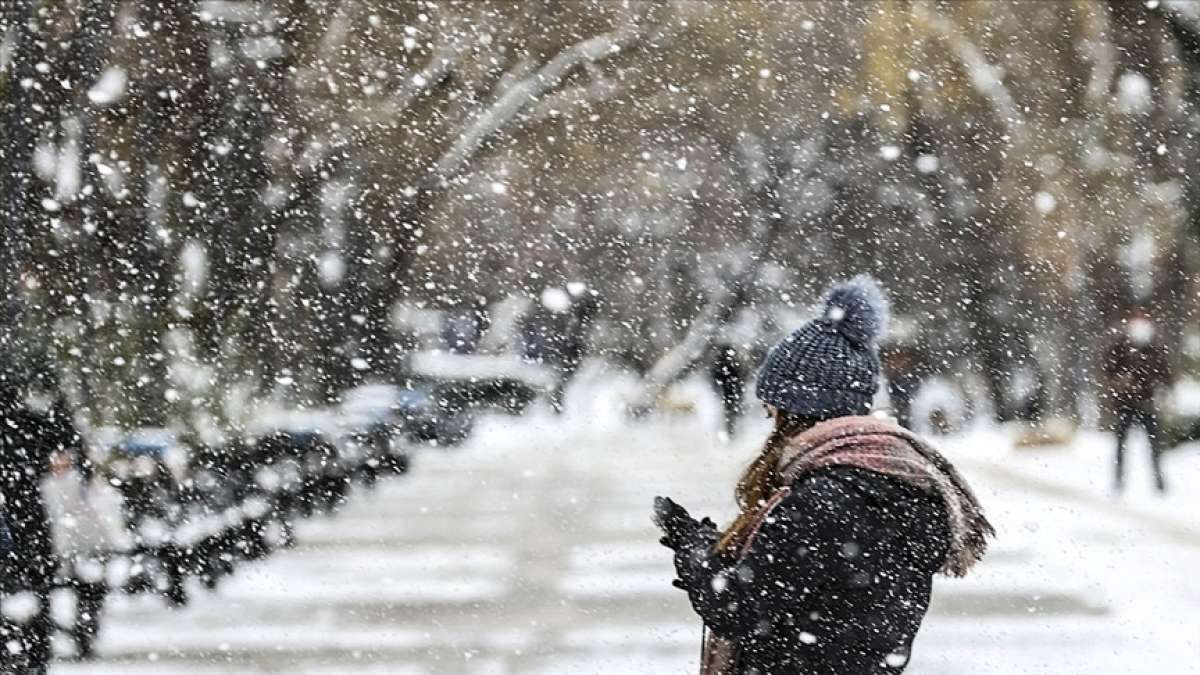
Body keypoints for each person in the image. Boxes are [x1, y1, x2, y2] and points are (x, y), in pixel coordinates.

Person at [653, 276, 993, 675]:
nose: (770, 418)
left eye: (774, 408)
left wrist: (694, 551)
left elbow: (738, 606)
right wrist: (716, 549)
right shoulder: (895, 480)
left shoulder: (824, 500)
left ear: (798, 408)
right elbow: (811, 586)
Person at [1102, 309, 1171, 493]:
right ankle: (1118, 480)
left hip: (1148, 403)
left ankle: (1159, 482)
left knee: (1154, 445)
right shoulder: (1119, 345)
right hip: (1125, 404)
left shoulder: (1154, 346)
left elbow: (1164, 373)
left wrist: (1162, 390)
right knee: (1121, 445)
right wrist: (1120, 382)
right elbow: (1108, 369)